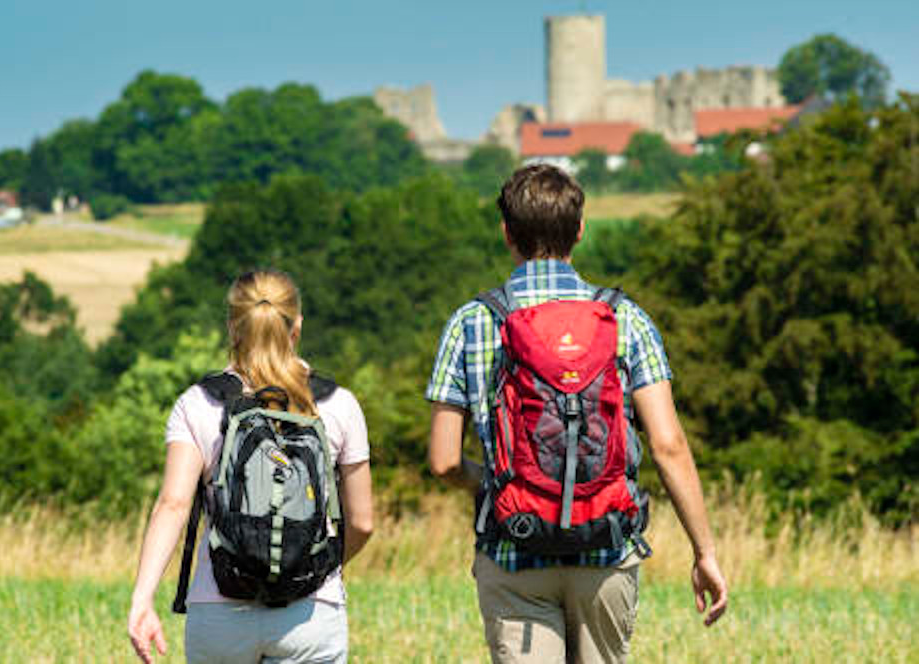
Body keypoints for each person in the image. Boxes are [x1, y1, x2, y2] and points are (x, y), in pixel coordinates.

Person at [425, 164, 727, 663]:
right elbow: (668, 445)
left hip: (514, 549)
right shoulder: (625, 318)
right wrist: (705, 552)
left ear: (507, 233)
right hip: (605, 550)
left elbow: (443, 461)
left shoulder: (472, 322)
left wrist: (498, 485)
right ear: (580, 230)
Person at [128, 269, 374, 664]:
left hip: (219, 611)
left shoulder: (199, 403)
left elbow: (173, 505)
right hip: (311, 612)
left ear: (232, 327)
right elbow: (362, 522)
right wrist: (315, 566)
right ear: (297, 326)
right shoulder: (338, 404)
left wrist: (142, 599)